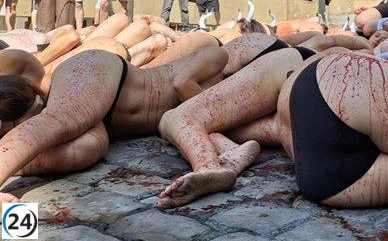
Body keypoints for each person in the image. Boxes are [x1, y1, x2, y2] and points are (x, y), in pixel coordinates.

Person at [156, 48, 388, 217]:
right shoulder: (262, 118)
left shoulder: (277, 61)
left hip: (321, 142)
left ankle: (211, 167)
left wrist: (211, 161)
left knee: (178, 117)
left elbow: (180, 116)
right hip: (323, 136)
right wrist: (231, 153)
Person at [0, 45, 228, 203]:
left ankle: (15, 159)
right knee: (60, 120)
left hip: (108, 112)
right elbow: (181, 84)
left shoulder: (233, 96)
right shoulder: (220, 56)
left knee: (87, 149)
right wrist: (216, 121)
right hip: (105, 74)